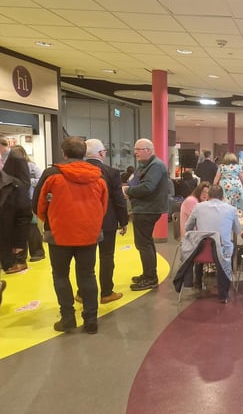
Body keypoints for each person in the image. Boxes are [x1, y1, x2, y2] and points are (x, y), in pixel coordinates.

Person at [33, 137, 108, 334]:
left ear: (63, 152)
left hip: (59, 233)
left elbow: (38, 204)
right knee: (87, 274)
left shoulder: (52, 174)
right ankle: (91, 319)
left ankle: (67, 318)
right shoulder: (98, 175)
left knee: (60, 275)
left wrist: (49, 219)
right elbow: (103, 205)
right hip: (88, 234)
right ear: (84, 153)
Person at [80, 139, 129, 305]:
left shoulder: (77, 171)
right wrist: (124, 221)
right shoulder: (111, 172)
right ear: (101, 153)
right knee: (106, 256)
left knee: (85, 259)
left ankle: (82, 293)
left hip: (84, 222)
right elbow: (119, 199)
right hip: (107, 221)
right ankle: (106, 292)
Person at [184, 185, 242, 303]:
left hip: (200, 252)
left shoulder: (198, 207)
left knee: (202, 241)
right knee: (231, 245)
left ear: (208, 196)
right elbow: (238, 231)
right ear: (222, 197)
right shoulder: (231, 209)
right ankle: (223, 294)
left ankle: (197, 283)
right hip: (221, 253)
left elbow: (188, 227)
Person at [125, 138, 169, 291]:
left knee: (144, 244)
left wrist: (127, 191)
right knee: (146, 243)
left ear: (149, 150)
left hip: (147, 209)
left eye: (139, 149)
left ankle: (150, 278)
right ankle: (148, 274)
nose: (135, 152)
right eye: (135, 149)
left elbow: (148, 187)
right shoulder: (147, 165)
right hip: (145, 208)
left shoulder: (155, 166)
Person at [0, 136, 31, 274]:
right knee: (5, 234)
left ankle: (17, 262)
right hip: (4, 204)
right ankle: (6, 262)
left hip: (15, 204)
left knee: (16, 234)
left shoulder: (17, 158)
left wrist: (7, 181)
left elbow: (25, 182)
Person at [12, 145, 46, 262]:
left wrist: (26, 181)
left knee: (32, 226)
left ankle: (37, 252)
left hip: (29, 200)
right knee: (18, 228)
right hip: (14, 202)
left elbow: (42, 180)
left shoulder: (32, 166)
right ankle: (20, 256)